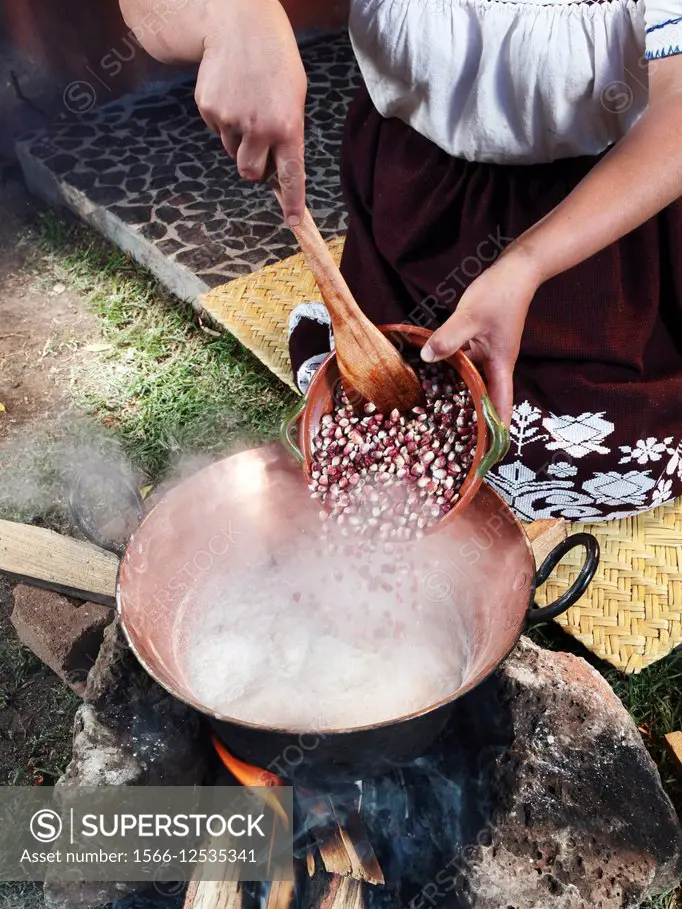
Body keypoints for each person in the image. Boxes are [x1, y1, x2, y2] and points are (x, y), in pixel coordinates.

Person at [120, 0, 682, 521]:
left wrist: (526, 264)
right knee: (391, 402)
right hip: (416, 202)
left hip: (602, 228)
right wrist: (234, 18)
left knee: (588, 448)